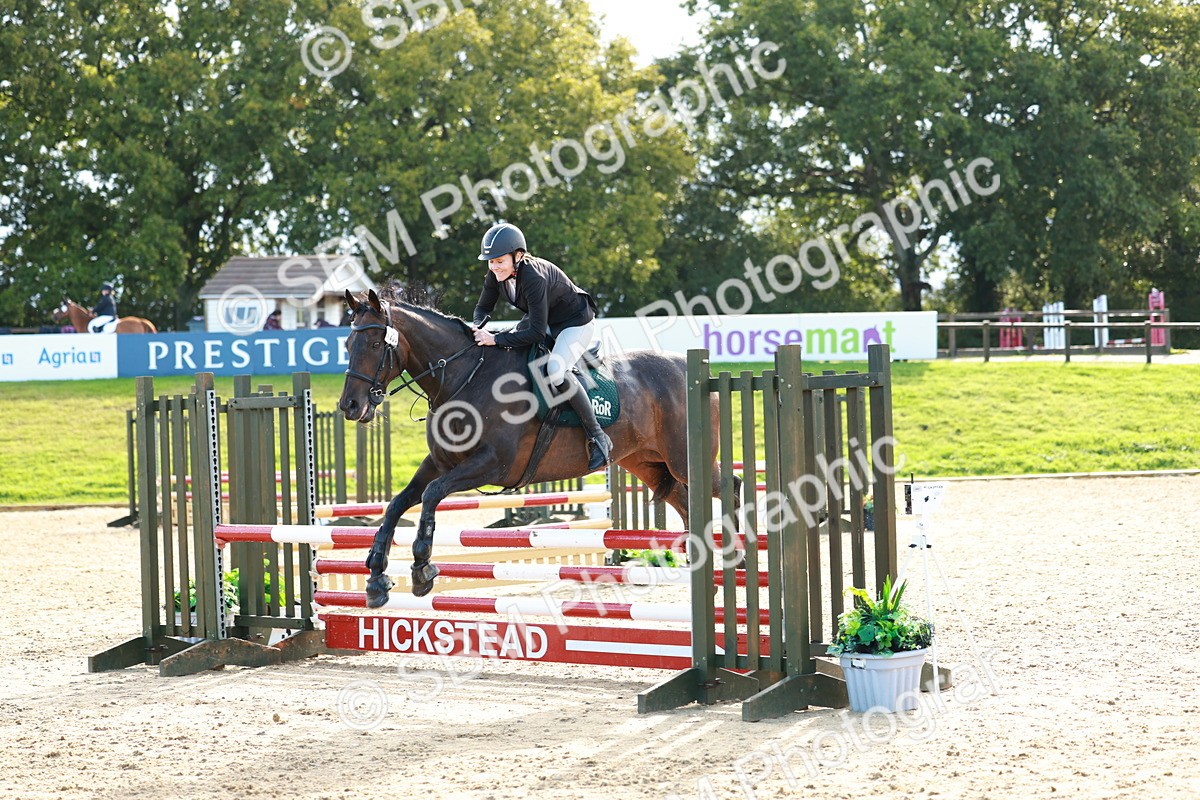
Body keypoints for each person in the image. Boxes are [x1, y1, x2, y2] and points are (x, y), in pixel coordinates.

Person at [471, 222, 612, 471]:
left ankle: (598, 437)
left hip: (574, 322)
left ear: (518, 256)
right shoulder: (496, 275)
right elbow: (483, 307)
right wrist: (477, 328)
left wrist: (495, 339)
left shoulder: (533, 277)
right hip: (545, 320)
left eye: (499, 261)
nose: (494, 266)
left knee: (555, 371)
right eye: (490, 261)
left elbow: (535, 333)